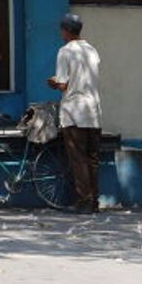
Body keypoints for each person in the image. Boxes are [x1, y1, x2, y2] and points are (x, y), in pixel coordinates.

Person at [47, 14, 102, 214]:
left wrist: (52, 82)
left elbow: (63, 84)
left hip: (74, 112)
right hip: (93, 112)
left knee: (78, 159)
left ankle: (85, 201)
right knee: (92, 159)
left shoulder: (65, 52)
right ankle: (95, 200)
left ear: (66, 30)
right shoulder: (92, 50)